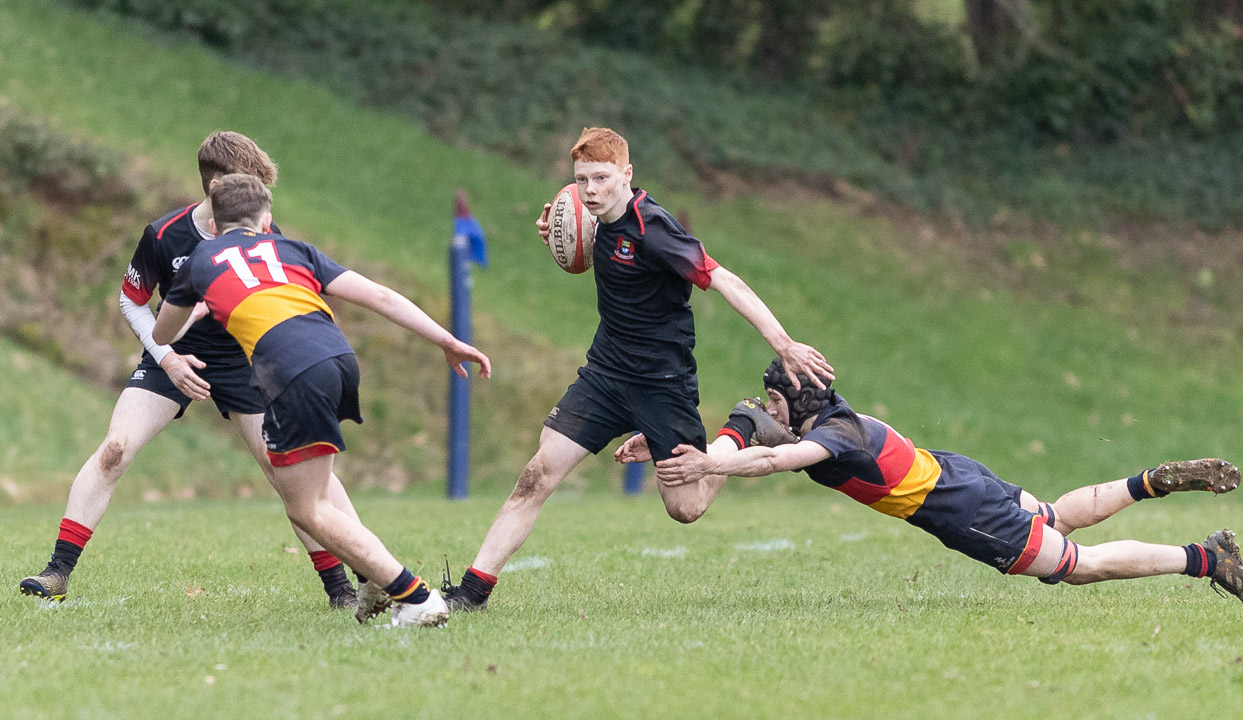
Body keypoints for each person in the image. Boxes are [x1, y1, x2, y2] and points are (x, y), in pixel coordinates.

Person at [441, 127, 835, 612]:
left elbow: (725, 280)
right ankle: (471, 593)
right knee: (536, 475)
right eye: (583, 179)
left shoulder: (656, 230)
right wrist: (554, 233)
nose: (591, 190)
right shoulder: (588, 211)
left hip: (661, 383)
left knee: (684, 508)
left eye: (602, 178)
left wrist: (785, 343)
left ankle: (739, 431)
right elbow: (578, 247)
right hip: (605, 374)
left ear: (627, 175)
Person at [19, 132, 365, 608]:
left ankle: (344, 588)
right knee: (115, 449)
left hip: (247, 360)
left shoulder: (265, 231)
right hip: (171, 357)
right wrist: (167, 358)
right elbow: (132, 299)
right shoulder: (164, 235)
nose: (261, 203)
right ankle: (57, 571)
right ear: (217, 184)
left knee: (291, 474)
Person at [618, 357, 1243, 604]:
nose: (765, 406)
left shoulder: (834, 440)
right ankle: (1148, 483)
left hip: (959, 506)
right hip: (961, 474)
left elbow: (769, 460)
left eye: (773, 398)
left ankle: (1206, 559)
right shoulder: (838, 418)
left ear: (800, 402)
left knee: (1076, 565)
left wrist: (706, 464)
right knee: (1055, 515)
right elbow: (750, 439)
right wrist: (680, 445)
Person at [153, 173, 492, 626]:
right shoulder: (294, 249)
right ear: (266, 220)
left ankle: (416, 597)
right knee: (320, 501)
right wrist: (447, 340)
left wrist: (195, 308)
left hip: (290, 369)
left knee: (306, 509)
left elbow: (162, 333)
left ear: (213, 224)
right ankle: (377, 579)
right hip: (336, 357)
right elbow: (379, 295)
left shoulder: (200, 258)